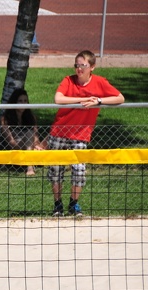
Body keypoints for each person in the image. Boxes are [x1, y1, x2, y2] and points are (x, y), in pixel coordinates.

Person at [46, 50, 124, 217]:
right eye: (77, 65)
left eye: (83, 65)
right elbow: (58, 99)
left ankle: (73, 204)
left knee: (79, 170)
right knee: (55, 170)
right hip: (60, 131)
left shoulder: (100, 83)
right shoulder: (68, 81)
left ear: (92, 67)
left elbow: (119, 98)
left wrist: (99, 100)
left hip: (81, 134)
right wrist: (81, 100)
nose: (79, 69)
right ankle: (57, 205)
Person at [0, 88, 43, 176]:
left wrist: (37, 146)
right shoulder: (5, 119)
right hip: (15, 148)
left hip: (30, 146)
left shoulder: (31, 117)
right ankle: (30, 167)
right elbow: (10, 142)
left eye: (25, 101)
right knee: (29, 133)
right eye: (20, 101)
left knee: (51, 136)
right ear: (14, 102)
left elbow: (36, 138)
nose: (23, 103)